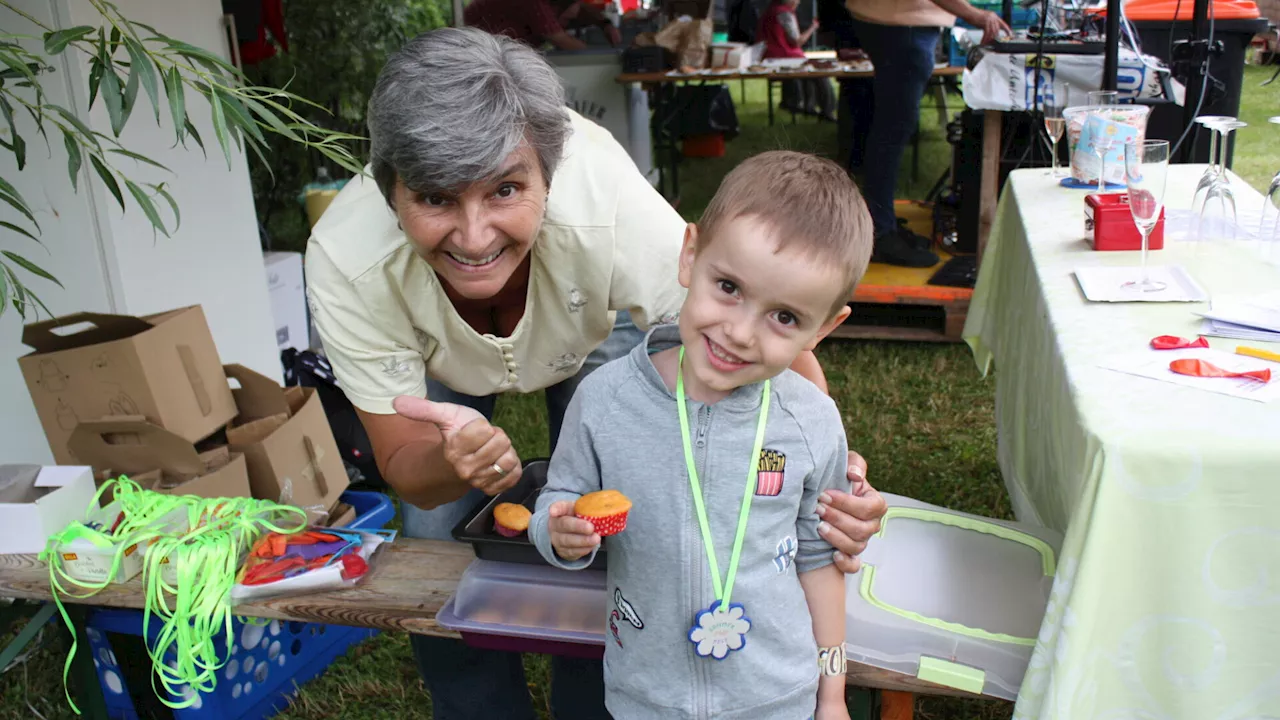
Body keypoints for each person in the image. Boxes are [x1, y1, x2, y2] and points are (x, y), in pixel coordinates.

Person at [307, 27, 888, 720]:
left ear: (550, 177)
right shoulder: (348, 259)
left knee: (621, 511)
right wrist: (451, 461)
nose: (474, 236)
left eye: (505, 191)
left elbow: (771, 358)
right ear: (388, 189)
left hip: (590, 325)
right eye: (434, 198)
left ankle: (597, 700)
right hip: (436, 361)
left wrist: (826, 479)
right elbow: (404, 461)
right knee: (434, 530)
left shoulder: (604, 200)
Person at [530, 151, 871, 720]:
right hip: (645, 697)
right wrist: (560, 532)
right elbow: (556, 500)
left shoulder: (811, 422)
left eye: (784, 317)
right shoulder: (602, 401)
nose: (739, 332)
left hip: (776, 699)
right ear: (690, 257)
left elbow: (820, 558)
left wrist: (831, 696)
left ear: (825, 327)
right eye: (729, 287)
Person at [844, 0, 1010, 267]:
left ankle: (880, 221)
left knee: (889, 129)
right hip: (900, 24)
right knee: (892, 131)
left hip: (893, 21)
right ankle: (880, 235)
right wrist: (977, 15)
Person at [760, 0, 836, 121]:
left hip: (771, 57)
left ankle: (808, 106)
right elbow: (797, 41)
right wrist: (813, 27)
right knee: (820, 73)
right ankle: (827, 111)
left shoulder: (771, 10)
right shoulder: (784, 14)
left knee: (810, 71)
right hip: (782, 58)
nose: (799, 2)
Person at [464, 0, 622, 50]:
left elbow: (581, 8)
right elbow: (562, 40)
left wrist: (605, 24)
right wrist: (607, 54)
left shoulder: (556, 4)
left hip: (497, 46)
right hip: (476, 46)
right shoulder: (535, 4)